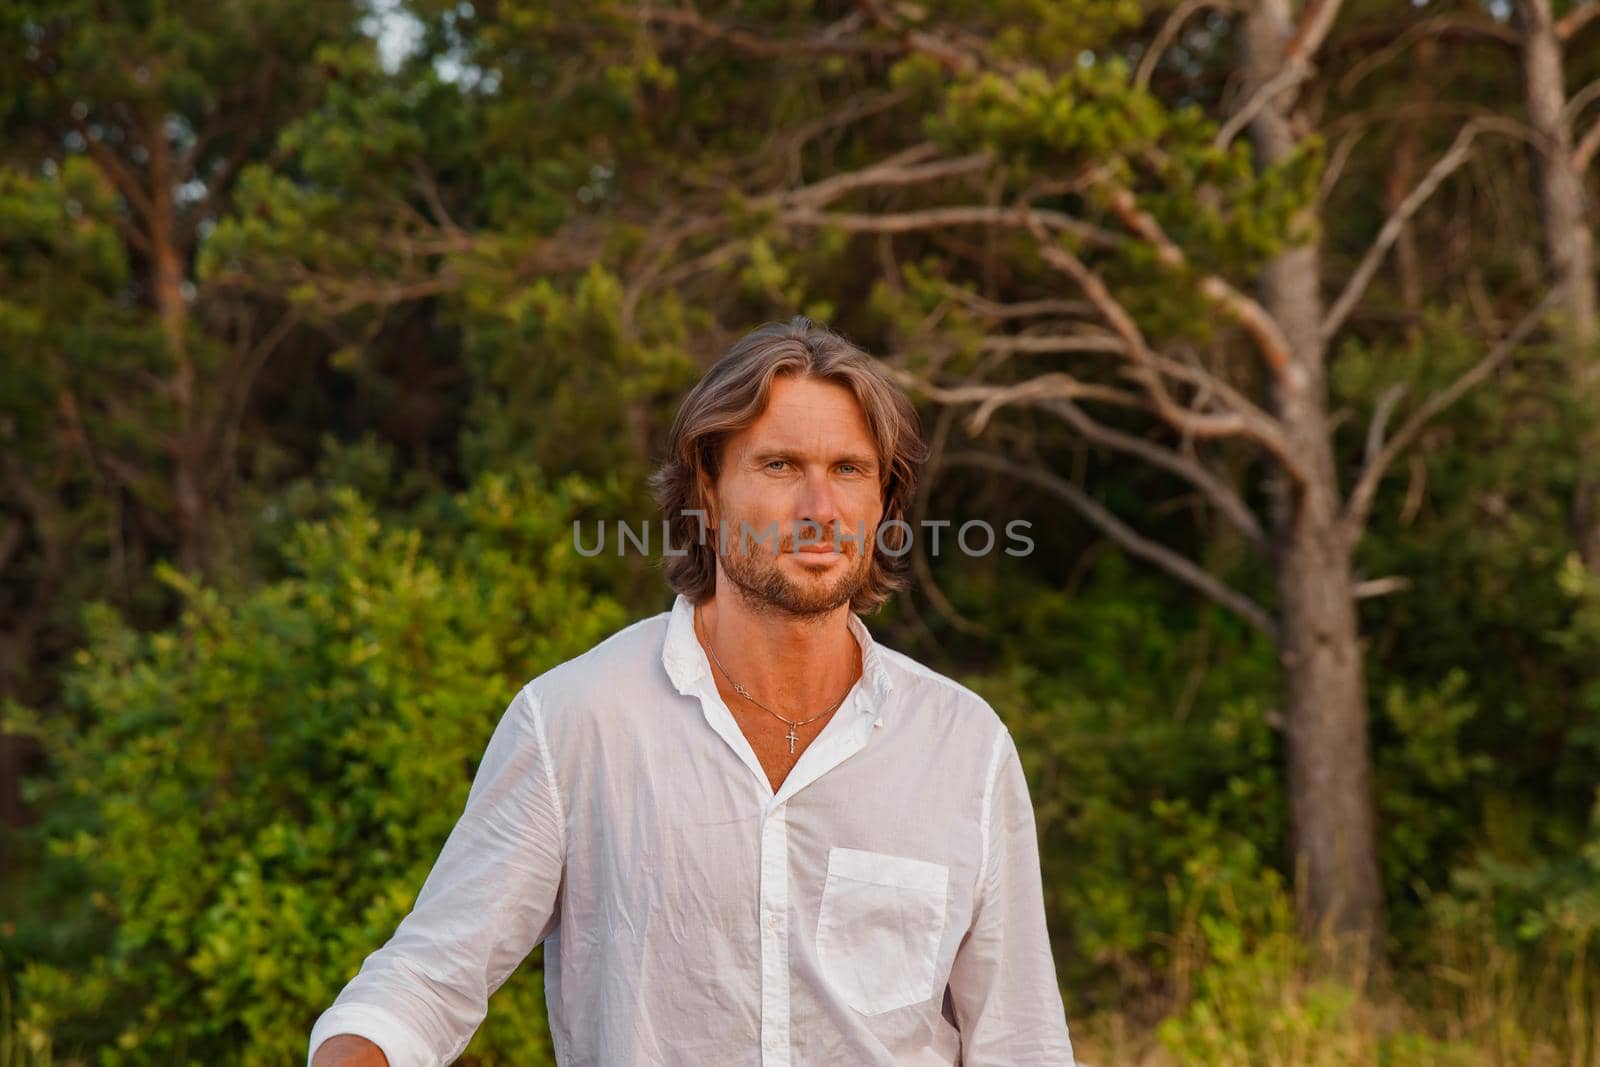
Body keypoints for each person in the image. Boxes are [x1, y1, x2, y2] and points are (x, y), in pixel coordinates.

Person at [307, 317, 1077, 1066]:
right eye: (780, 466)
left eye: (849, 469)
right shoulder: (577, 721)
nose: (820, 509)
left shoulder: (962, 746)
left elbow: (1021, 1041)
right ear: (706, 491)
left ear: (885, 501)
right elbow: (426, 982)